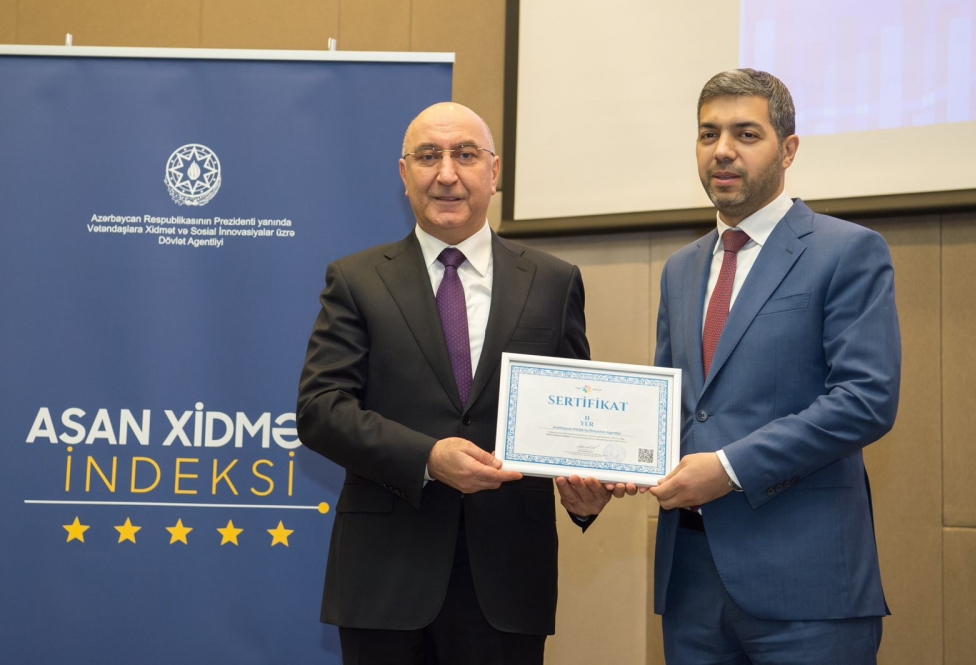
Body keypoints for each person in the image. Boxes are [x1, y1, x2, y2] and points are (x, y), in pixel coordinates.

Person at [296, 102, 613, 665]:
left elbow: (574, 417)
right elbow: (321, 409)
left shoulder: (554, 282)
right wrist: (428, 457)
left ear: (494, 172)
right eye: (428, 157)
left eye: (466, 155)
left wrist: (586, 493)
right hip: (384, 580)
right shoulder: (356, 279)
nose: (447, 174)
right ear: (404, 174)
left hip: (508, 583)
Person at [649, 69, 901, 663]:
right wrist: (603, 472)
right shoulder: (681, 269)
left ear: (788, 149)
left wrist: (729, 468)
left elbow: (865, 401)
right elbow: (671, 409)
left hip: (806, 589)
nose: (722, 150)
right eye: (708, 134)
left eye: (746, 134)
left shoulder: (847, 250)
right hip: (691, 586)